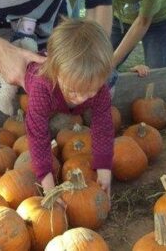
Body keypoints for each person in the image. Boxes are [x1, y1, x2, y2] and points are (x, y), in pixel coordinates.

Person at [25, 18, 114, 196]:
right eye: (74, 91)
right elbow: (38, 135)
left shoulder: (100, 89)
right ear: (56, 73)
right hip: (36, 78)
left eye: (90, 91)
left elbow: (103, 127)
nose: (81, 99)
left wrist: (104, 169)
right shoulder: (42, 87)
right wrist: (48, 186)